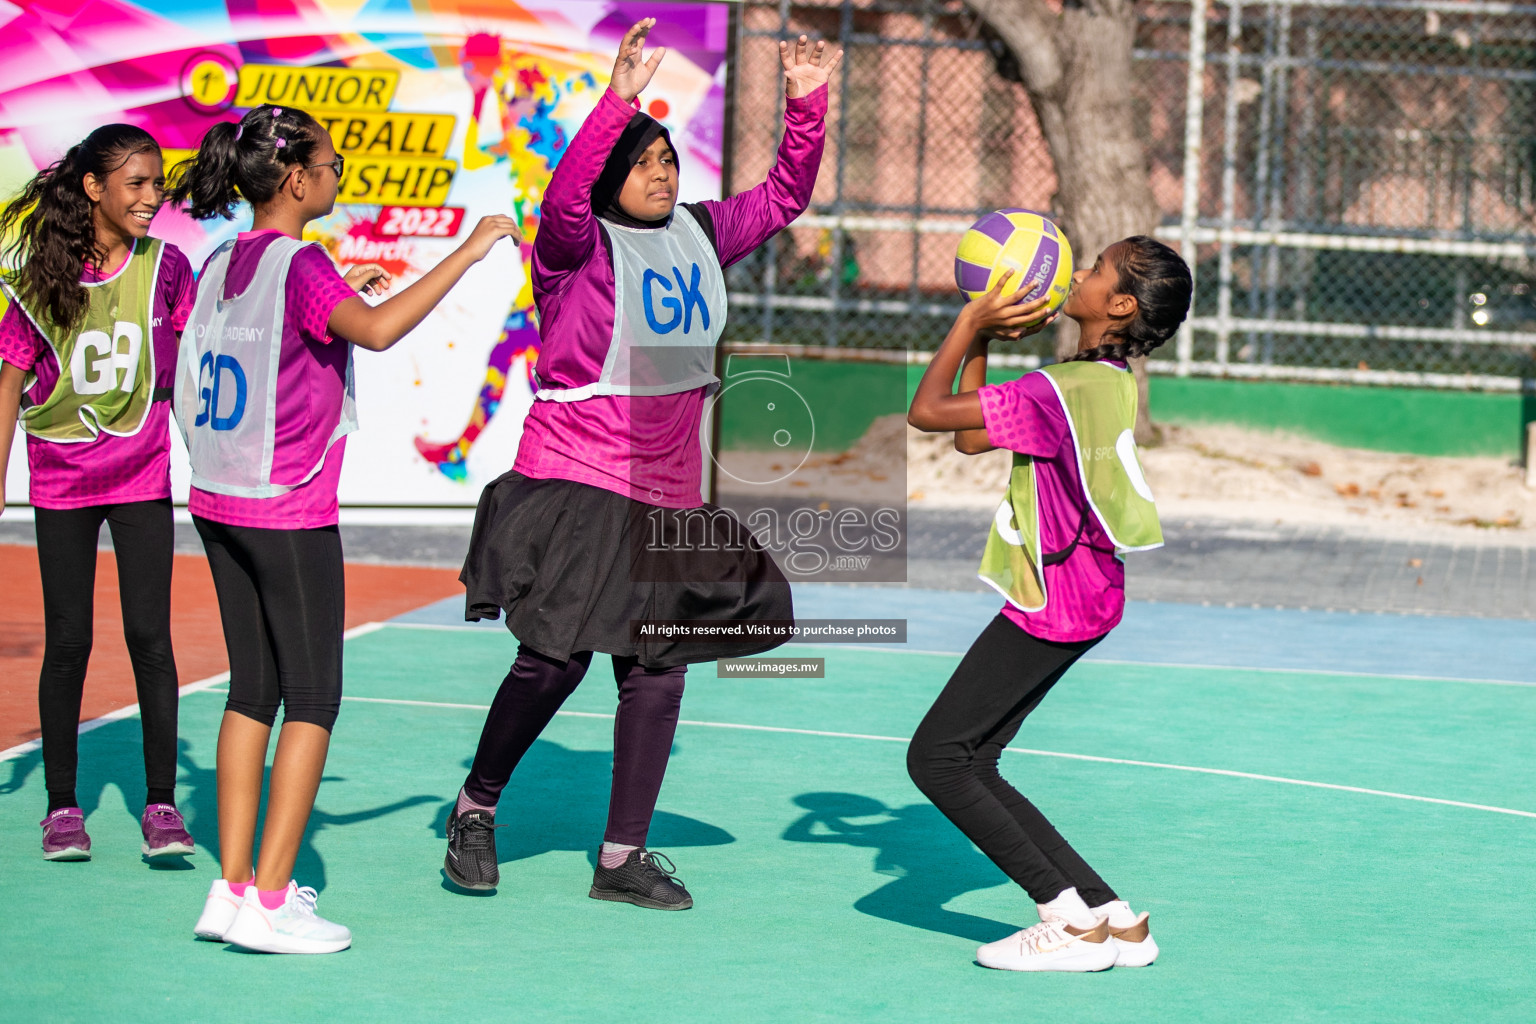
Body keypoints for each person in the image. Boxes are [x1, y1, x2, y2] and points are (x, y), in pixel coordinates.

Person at [441, 21, 839, 910]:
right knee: (553, 661)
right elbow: (568, 194)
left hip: (668, 491)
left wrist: (806, 99)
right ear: (613, 173)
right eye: (646, 159)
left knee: (659, 671)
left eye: (670, 158)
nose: (665, 172)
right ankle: (475, 808)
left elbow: (781, 197)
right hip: (578, 476)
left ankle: (622, 858)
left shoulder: (699, 233)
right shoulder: (572, 251)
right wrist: (617, 97)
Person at [166, 103, 520, 953]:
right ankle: (273, 901)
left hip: (217, 501)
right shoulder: (301, 262)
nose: (337, 176)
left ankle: (232, 886)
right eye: (329, 165)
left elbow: (287, 341)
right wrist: (468, 253)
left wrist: (347, 303)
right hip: (286, 508)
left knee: (252, 693)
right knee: (314, 699)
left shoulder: (221, 259)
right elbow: (382, 332)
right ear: (296, 180)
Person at [905, 236, 1193, 971]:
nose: (1078, 273)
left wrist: (971, 323)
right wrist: (993, 342)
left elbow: (929, 412)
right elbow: (974, 437)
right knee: (981, 758)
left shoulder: (1059, 389)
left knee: (936, 761)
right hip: (1091, 592)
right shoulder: (1098, 381)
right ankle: (1110, 914)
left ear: (1120, 305)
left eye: (1096, 270)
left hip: (1052, 601)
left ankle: (1065, 923)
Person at [0, 124, 197, 863]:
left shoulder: (166, 268)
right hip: (61, 481)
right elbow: (10, 382)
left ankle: (161, 804)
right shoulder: (35, 279)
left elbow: (187, 364)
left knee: (150, 636)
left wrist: (205, 463)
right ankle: (60, 806)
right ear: (94, 189)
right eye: (138, 184)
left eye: (157, 184)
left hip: (142, 474)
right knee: (70, 642)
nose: (153, 197)